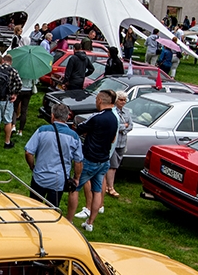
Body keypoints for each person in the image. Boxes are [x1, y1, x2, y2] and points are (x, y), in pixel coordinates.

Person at [68, 90, 118, 233]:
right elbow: (113, 138)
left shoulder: (96, 117)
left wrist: (88, 133)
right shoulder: (115, 118)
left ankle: (69, 220)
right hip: (104, 160)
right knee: (97, 191)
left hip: (90, 159)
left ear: (101, 101)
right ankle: (90, 223)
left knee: (74, 187)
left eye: (96, 99)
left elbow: (79, 129)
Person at [25, 103, 83, 207]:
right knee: (52, 212)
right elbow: (78, 161)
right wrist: (76, 178)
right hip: (58, 181)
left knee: (33, 207)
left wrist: (32, 166)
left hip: (40, 177)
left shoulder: (42, 130)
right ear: (67, 117)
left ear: (52, 116)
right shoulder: (74, 137)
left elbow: (29, 152)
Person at [104, 91, 133, 198]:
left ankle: (107, 184)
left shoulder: (127, 111)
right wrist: (123, 126)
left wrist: (123, 127)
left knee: (116, 165)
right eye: (121, 100)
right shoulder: (112, 111)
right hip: (114, 142)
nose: (123, 102)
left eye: (125, 100)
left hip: (122, 142)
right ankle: (110, 187)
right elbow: (114, 125)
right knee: (113, 166)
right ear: (116, 100)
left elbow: (130, 125)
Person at [13, 66, 34, 137]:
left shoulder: (20, 69)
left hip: (20, 90)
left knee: (14, 108)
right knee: (24, 111)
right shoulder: (33, 70)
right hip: (28, 90)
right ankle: (21, 131)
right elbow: (36, 81)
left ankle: (13, 125)